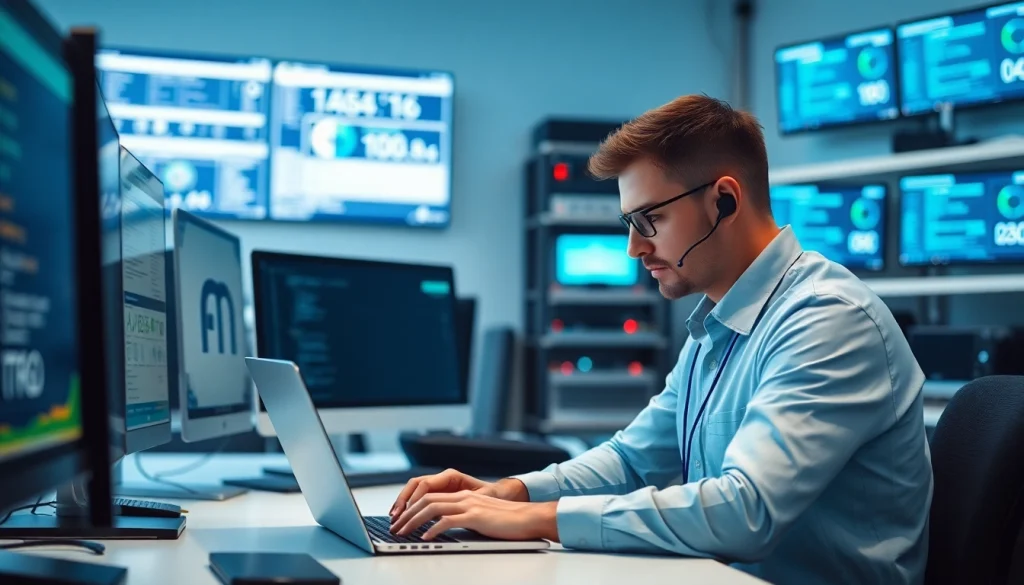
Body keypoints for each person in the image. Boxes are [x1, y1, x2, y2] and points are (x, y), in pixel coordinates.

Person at [388, 94, 933, 584]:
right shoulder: (716, 324)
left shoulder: (827, 319)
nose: (634, 248)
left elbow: (746, 511)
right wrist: (510, 492)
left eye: (649, 219)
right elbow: (632, 460)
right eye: (629, 222)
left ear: (724, 201)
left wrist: (539, 519)